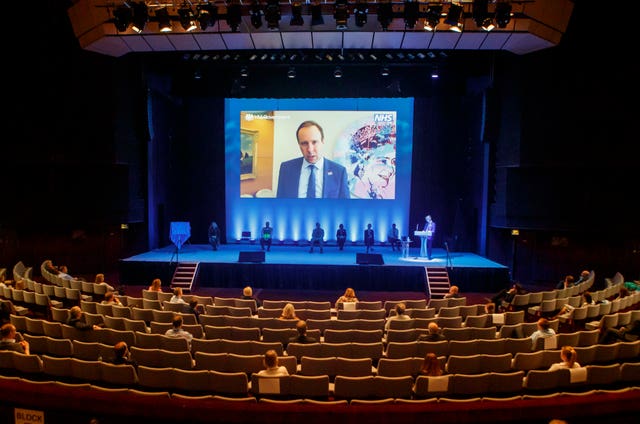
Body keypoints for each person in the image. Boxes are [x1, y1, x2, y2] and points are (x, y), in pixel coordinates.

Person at [276, 120, 349, 199]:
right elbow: (280, 204)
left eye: (314, 142)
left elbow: (346, 207)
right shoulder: (286, 169)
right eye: (304, 143)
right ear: (299, 145)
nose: (310, 149)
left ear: (322, 141)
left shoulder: (339, 172)